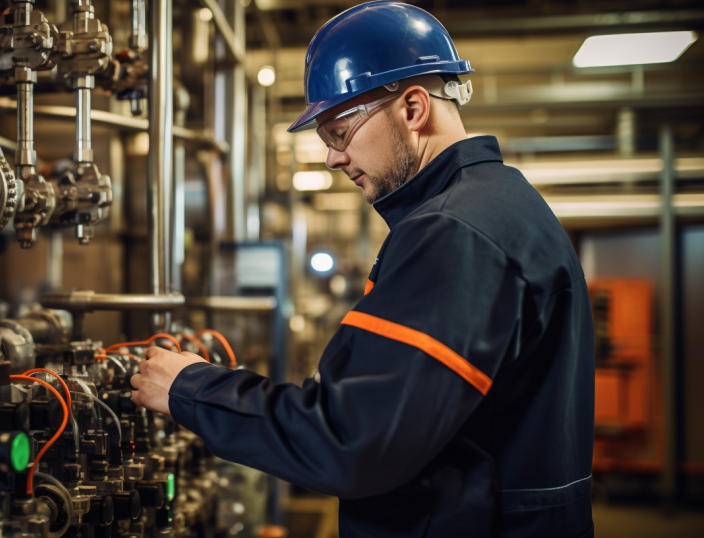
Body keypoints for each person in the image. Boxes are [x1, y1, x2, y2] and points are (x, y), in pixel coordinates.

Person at [130, 2, 595, 537]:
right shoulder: (494, 207)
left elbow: (354, 442)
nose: (331, 158)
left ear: (413, 108)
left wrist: (190, 389)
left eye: (337, 132)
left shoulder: (454, 233)